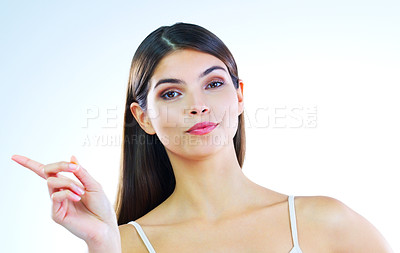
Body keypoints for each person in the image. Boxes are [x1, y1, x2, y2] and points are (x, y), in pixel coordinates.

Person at [11, 22, 393, 253]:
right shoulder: (121, 244)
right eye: (172, 93)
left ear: (239, 95)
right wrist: (102, 245)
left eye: (213, 83)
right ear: (142, 118)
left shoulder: (324, 221)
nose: (199, 105)